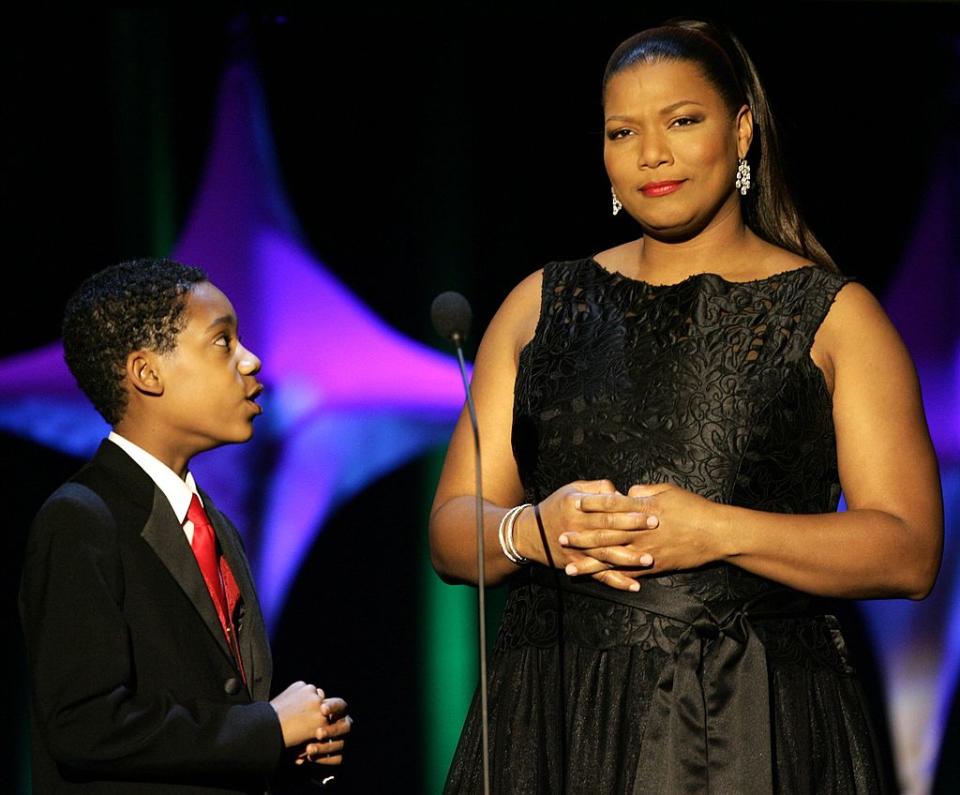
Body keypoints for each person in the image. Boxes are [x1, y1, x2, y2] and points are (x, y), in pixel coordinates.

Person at [429, 19, 943, 794]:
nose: (652, 154)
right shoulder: (541, 305)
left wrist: (713, 531)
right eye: (622, 131)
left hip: (748, 718)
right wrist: (535, 529)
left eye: (682, 121)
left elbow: (907, 550)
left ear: (741, 132)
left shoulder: (834, 316)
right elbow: (449, 530)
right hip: (552, 717)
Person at [20, 259, 352, 793]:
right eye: (223, 342)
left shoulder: (216, 525)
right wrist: (265, 727)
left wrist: (292, 742)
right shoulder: (81, 519)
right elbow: (84, 726)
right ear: (147, 373)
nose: (251, 360)